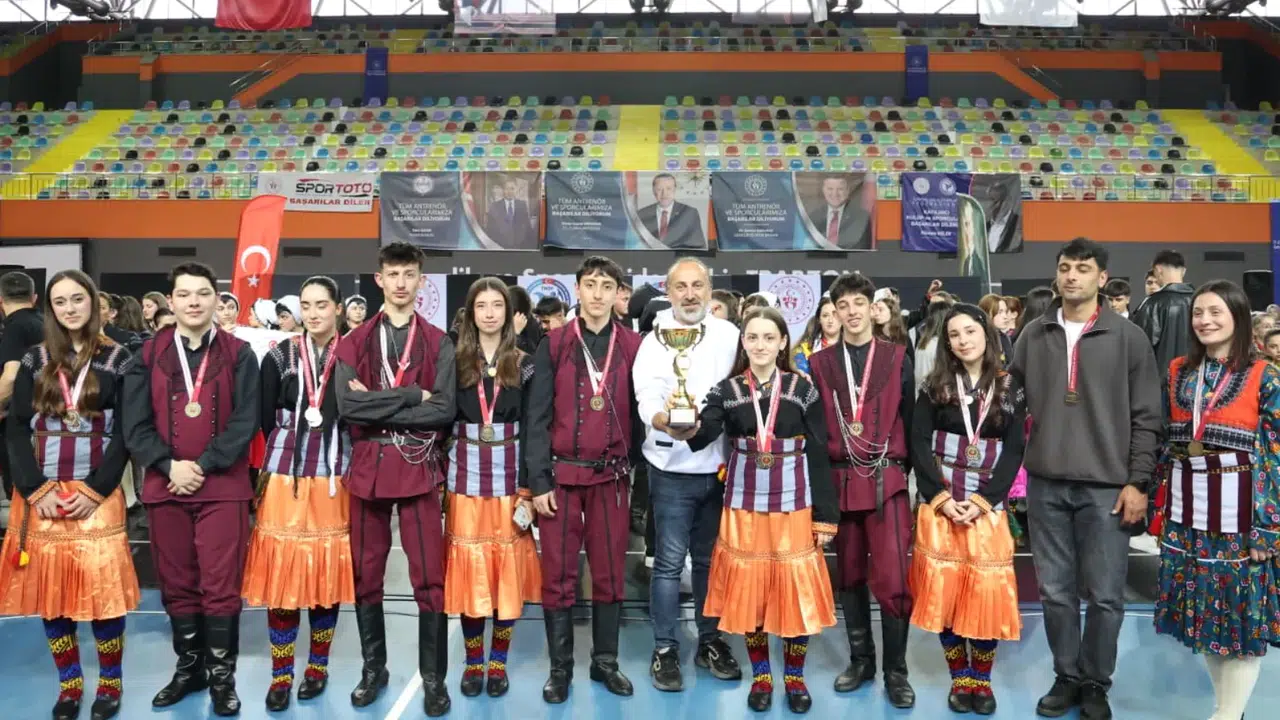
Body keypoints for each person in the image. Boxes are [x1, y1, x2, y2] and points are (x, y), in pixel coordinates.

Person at [1010, 238, 1161, 720]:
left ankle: (1096, 681)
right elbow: (1009, 403)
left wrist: (1138, 482)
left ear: (1102, 277)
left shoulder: (1129, 337)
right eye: (1065, 268)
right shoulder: (1033, 334)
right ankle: (1067, 676)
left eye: (1082, 268)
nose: (1072, 276)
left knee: (1106, 595)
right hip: (1046, 484)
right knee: (1055, 592)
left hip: (1108, 489)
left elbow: (1147, 417)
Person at [123, 262, 261, 717]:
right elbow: (135, 423)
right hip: (166, 486)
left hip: (222, 486)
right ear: (172, 300)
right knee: (177, 583)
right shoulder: (147, 354)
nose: (194, 302)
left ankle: (222, 678)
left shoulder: (240, 353)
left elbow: (246, 420)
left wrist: (201, 465)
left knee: (221, 585)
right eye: (184, 294)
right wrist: (168, 465)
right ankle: (189, 670)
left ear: (216, 299)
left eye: (203, 293)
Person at [0, 271, 138, 720]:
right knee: (53, 593)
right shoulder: (34, 358)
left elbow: (127, 432)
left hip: (96, 492)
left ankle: (110, 683)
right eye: (60, 302)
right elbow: (16, 428)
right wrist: (33, 487)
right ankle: (70, 685)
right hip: (42, 494)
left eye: (78, 299)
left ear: (93, 302)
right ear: (50, 309)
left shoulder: (119, 358)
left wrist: (97, 488)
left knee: (103, 594)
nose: (70, 308)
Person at [688, 307, 838, 714]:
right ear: (744, 342)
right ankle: (762, 676)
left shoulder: (803, 389)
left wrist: (827, 515)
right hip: (744, 506)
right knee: (752, 595)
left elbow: (820, 451)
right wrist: (681, 421)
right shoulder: (727, 390)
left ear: (783, 342)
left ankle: (794, 677)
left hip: (794, 505)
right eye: (752, 337)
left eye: (769, 337)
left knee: (794, 594)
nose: (760, 345)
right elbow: (702, 436)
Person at [333, 242, 456, 716]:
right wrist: (410, 395)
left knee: (429, 577)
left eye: (409, 274)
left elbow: (443, 410)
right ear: (379, 279)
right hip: (368, 468)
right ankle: (374, 670)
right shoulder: (354, 341)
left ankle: (434, 679)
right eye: (393, 274)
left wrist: (378, 403)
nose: (401, 283)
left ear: (421, 280)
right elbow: (349, 407)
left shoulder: (438, 341)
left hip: (419, 466)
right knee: (366, 575)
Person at [1150, 279, 1280, 720]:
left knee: (1238, 616)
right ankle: (1228, 710)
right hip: (1186, 510)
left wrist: (1268, 524)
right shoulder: (1179, 371)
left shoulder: (1265, 376)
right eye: (1198, 313)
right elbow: (1167, 441)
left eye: (1215, 312)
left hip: (1241, 514)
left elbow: (1275, 453)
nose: (1204, 321)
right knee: (1206, 614)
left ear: (1238, 317)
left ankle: (1227, 714)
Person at [525, 256, 639, 703]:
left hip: (612, 479)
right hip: (561, 480)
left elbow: (642, 413)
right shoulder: (553, 344)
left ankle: (605, 662)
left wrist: (634, 468)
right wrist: (538, 482)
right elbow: (536, 417)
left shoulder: (633, 345)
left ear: (617, 293)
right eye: (590, 284)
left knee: (609, 573)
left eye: (606, 286)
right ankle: (560, 670)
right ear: (577, 289)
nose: (597, 293)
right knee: (558, 576)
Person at [241, 276, 355, 712]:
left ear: (338, 308)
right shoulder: (279, 354)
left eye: (322, 304)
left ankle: (318, 667)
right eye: (306, 305)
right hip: (285, 471)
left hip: (335, 473)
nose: (313, 313)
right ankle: (282, 673)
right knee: (282, 577)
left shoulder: (354, 353)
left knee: (326, 576)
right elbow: (264, 414)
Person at [908, 304, 1027, 716]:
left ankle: (982, 679)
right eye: (954, 335)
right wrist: (939, 497)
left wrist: (984, 500)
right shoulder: (934, 386)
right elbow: (918, 442)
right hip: (942, 506)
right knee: (946, 596)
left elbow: (1014, 449)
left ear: (986, 334)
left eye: (970, 331)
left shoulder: (1010, 387)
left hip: (987, 508)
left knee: (985, 596)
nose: (963, 340)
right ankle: (960, 677)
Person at [633, 257, 744, 692]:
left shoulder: (730, 335)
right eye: (681, 286)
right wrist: (662, 420)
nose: (690, 294)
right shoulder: (653, 340)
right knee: (667, 564)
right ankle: (665, 648)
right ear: (668, 291)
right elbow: (646, 394)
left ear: (710, 289)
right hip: (670, 470)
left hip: (718, 468)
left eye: (698, 285)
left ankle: (710, 641)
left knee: (709, 561)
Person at [808, 271, 916, 708]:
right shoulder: (820, 363)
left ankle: (897, 671)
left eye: (858, 303)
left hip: (888, 482)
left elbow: (912, 419)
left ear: (873, 308)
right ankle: (861, 661)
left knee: (894, 579)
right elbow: (816, 435)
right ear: (834, 312)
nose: (851, 312)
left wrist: (911, 478)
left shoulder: (898, 356)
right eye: (843, 305)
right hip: (840, 481)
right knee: (849, 576)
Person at [444, 278, 541, 701]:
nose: (489, 313)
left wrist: (529, 487)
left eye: (496, 305)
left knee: (505, 575)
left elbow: (536, 427)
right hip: (464, 479)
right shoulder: (453, 361)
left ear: (508, 312)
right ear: (470, 313)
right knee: (471, 573)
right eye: (480, 305)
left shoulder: (527, 363)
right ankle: (473, 661)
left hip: (510, 480)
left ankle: (497, 662)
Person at [0, 271, 43, 499]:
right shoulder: (44, 322)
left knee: (20, 491)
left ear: (1, 300)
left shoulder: (14, 327)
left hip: (21, 422)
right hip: (47, 418)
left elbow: (11, 376)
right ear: (34, 297)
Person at [1131, 249, 1194, 375]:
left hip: (1161, 379)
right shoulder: (1200, 301)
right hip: (1195, 379)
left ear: (1158, 270)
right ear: (1184, 271)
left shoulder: (1152, 304)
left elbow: (1139, 348)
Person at [637, 173, 707, 249]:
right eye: (659, 189)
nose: (664, 194)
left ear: (674, 189)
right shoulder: (641, 214)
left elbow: (698, 246)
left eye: (668, 188)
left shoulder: (689, 213)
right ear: (653, 191)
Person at [806, 174, 873, 250]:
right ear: (823, 190)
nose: (835, 194)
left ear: (847, 191)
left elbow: (862, 251)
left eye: (840, 189)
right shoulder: (813, 217)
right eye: (830, 189)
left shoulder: (861, 217)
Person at [793, 295, 839, 376]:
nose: (830, 320)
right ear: (819, 319)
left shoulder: (854, 347)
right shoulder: (804, 350)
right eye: (825, 315)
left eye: (835, 315)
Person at [484, 179, 536, 249]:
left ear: (516, 190)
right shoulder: (495, 206)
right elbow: (490, 230)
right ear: (503, 190)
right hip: (500, 247)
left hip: (519, 248)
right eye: (507, 188)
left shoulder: (522, 205)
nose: (509, 192)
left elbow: (527, 227)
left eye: (512, 188)